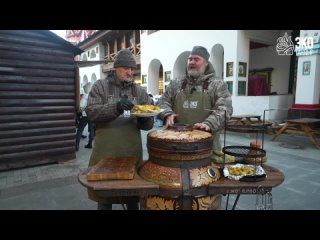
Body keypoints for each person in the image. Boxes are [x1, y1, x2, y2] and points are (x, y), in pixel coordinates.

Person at [158, 46, 233, 208]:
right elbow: (162, 102)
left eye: (196, 59)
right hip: (175, 150)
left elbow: (225, 109)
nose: (191, 62)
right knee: (175, 192)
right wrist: (167, 113)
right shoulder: (176, 83)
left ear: (206, 63)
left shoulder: (217, 84)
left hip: (207, 150)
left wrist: (208, 124)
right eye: (190, 59)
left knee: (206, 193)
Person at [85, 48, 154, 210]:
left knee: (132, 198)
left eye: (132, 69)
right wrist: (116, 107)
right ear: (116, 68)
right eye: (125, 68)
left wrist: (143, 118)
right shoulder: (100, 87)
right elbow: (91, 113)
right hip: (105, 154)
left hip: (131, 154)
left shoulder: (139, 91)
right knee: (104, 199)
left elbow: (148, 125)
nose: (129, 72)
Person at [75, 82, 95, 151]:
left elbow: (81, 107)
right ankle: (90, 144)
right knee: (91, 130)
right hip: (92, 115)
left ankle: (76, 145)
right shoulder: (94, 96)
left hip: (85, 115)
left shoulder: (84, 97)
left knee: (80, 129)